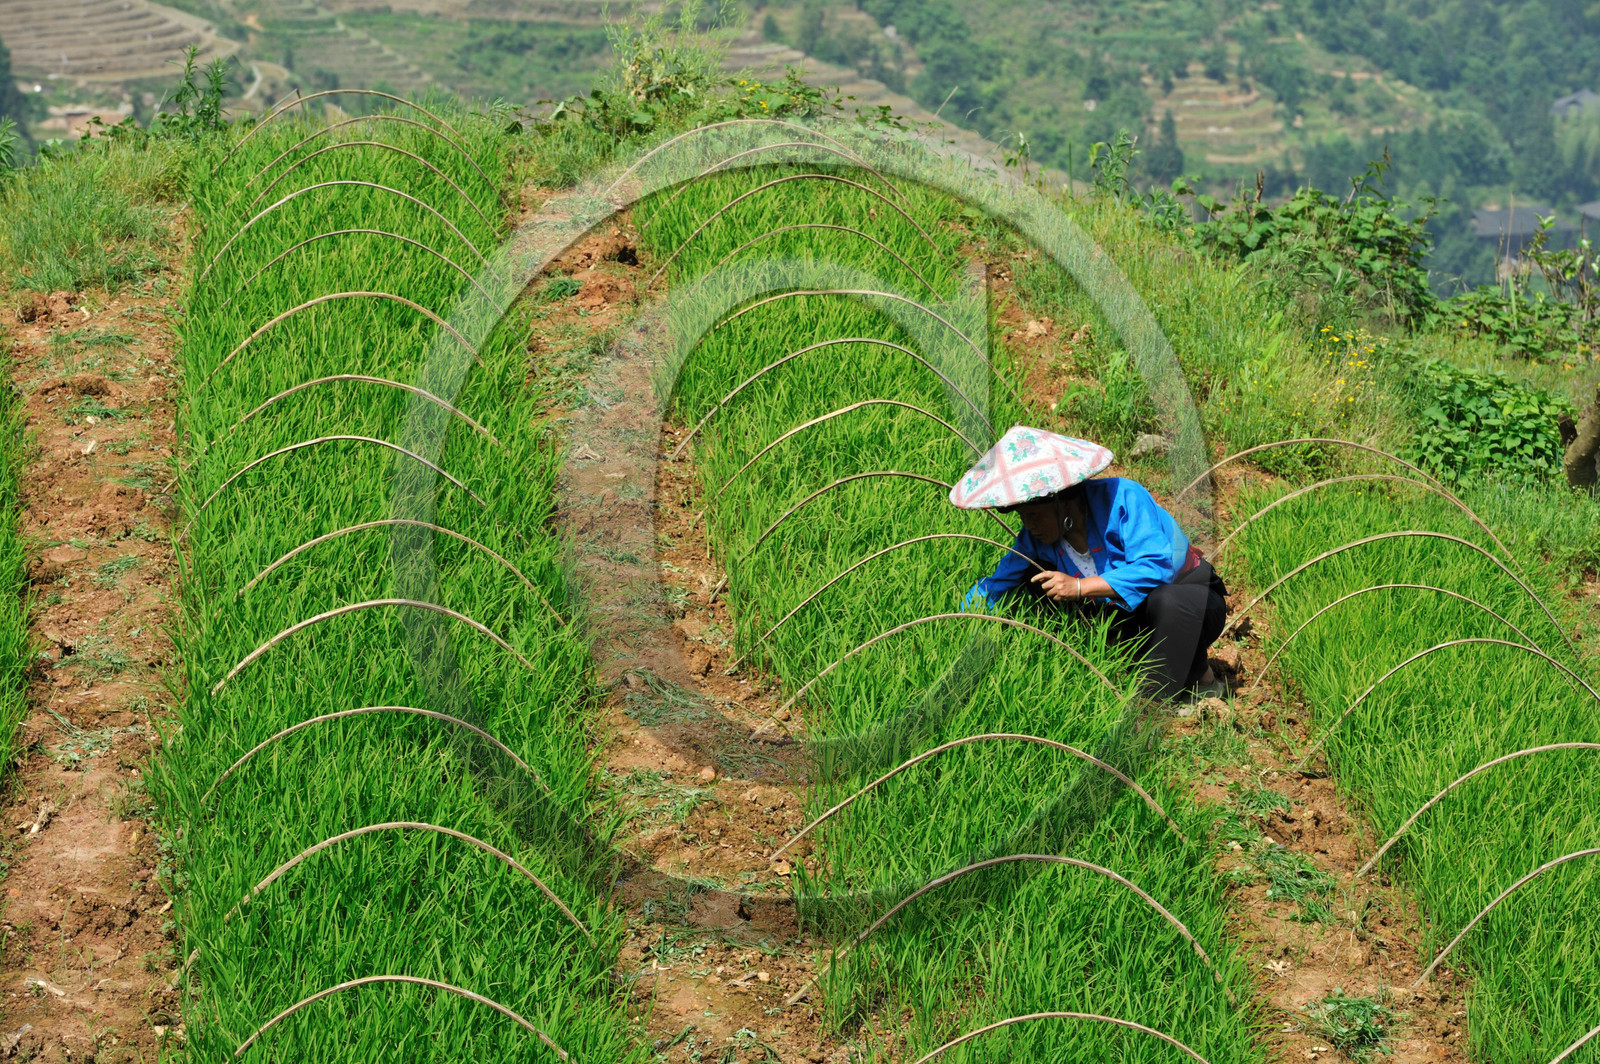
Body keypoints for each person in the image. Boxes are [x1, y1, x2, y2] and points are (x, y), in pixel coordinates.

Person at [951, 426, 1228, 700]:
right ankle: (1124, 662)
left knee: (1166, 602)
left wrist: (1080, 587)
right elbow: (999, 583)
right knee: (1032, 582)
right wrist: (961, 620)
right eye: (1023, 516)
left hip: (1192, 600)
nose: (1029, 525)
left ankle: (1201, 678)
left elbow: (1157, 567)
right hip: (1127, 614)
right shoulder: (1034, 537)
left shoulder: (1123, 497)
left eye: (1034, 514)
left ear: (1063, 502)